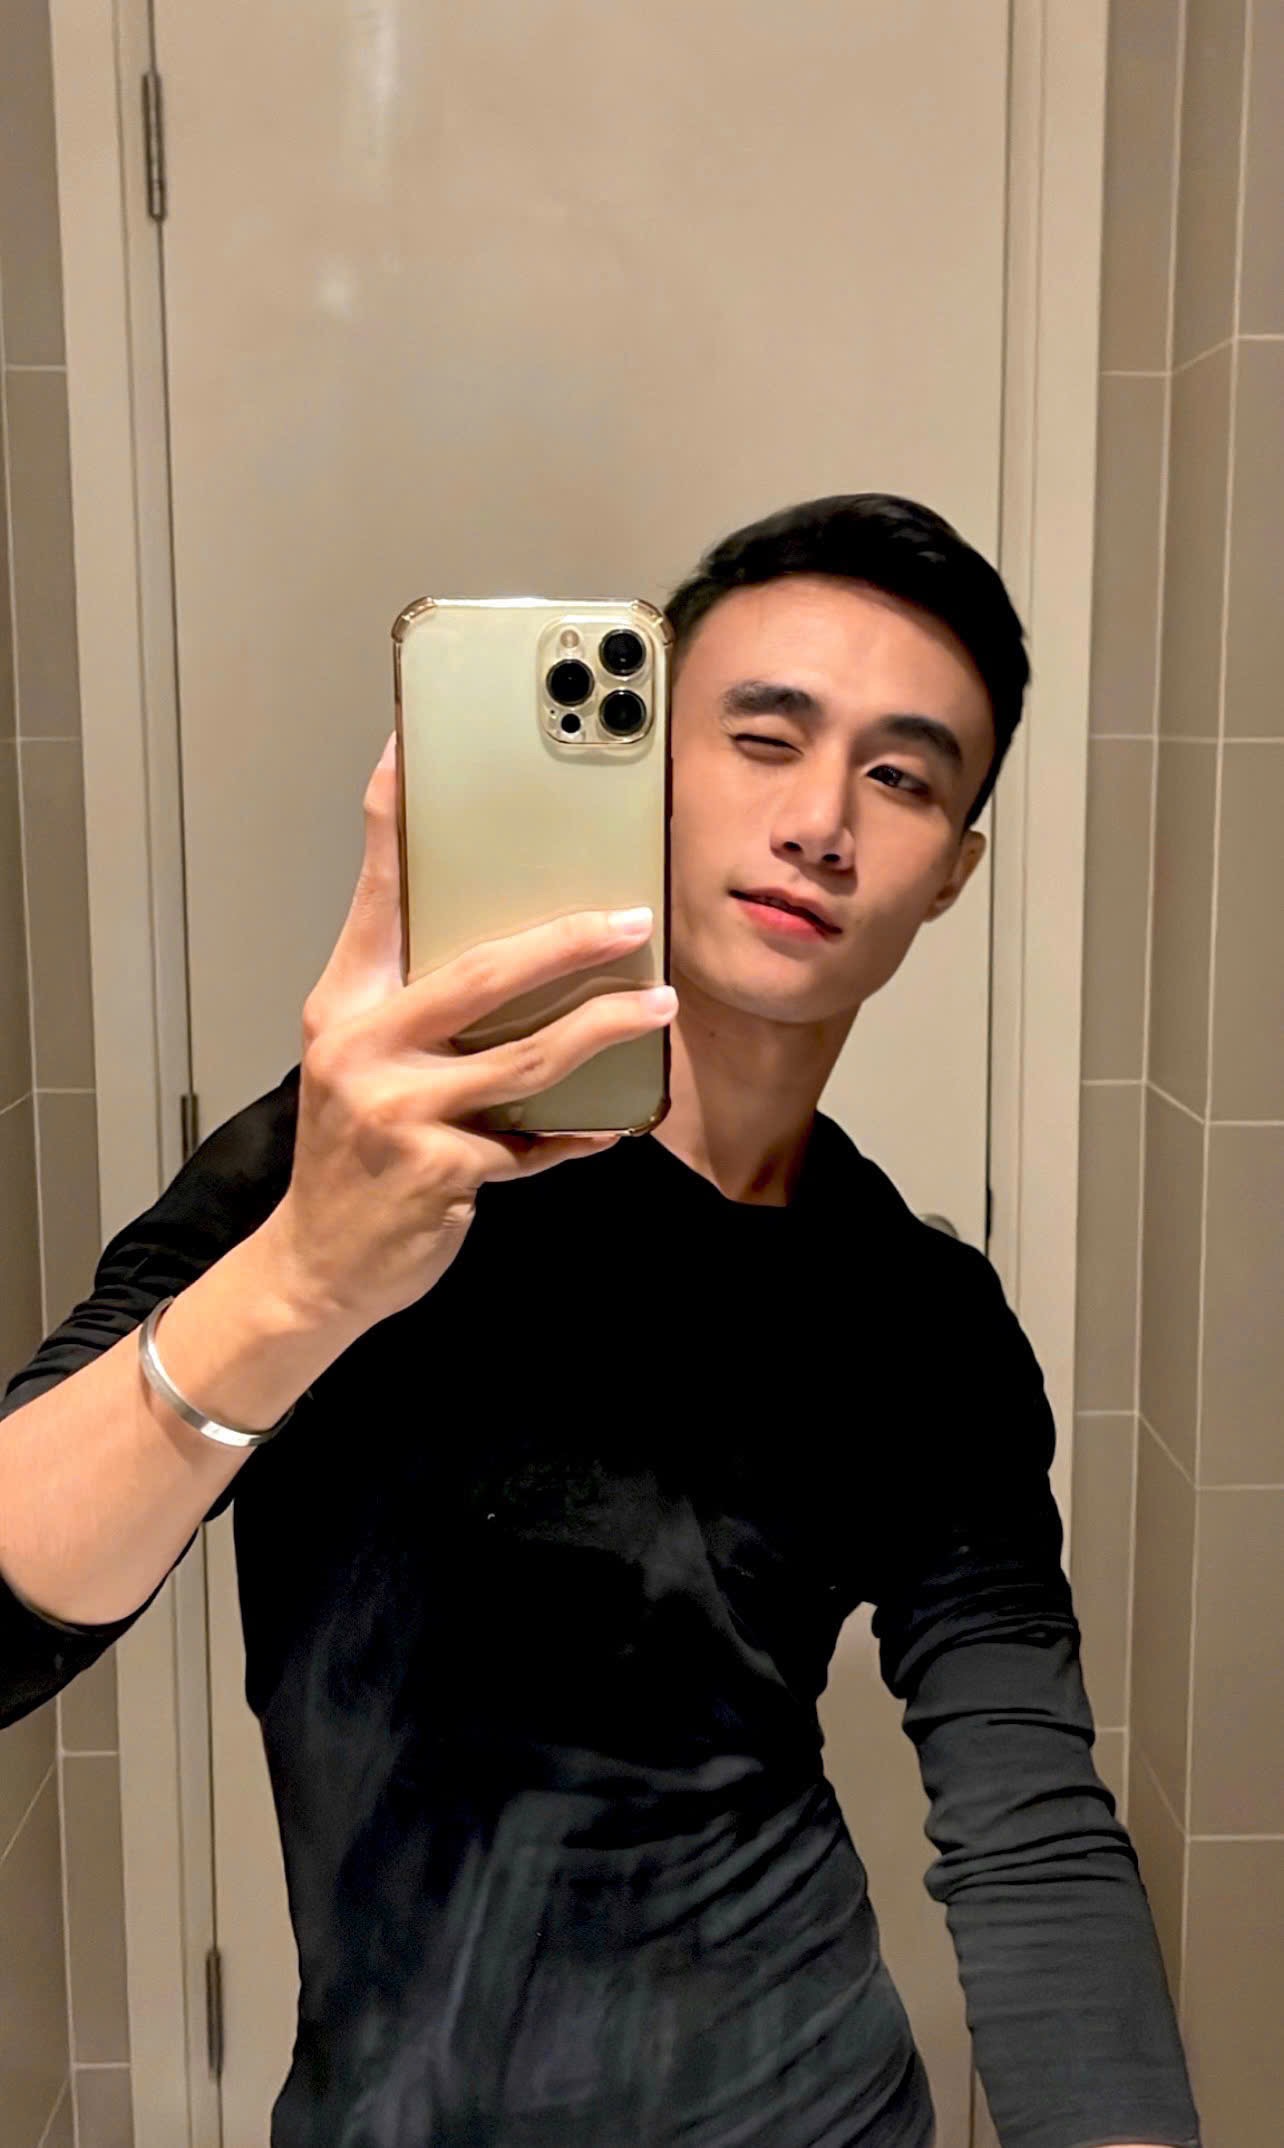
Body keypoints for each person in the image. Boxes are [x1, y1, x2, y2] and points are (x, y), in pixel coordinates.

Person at [0, 496, 1201, 2148]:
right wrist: (302, 1278)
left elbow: (1030, 1821)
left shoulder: (924, 1318)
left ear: (951, 876)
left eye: (903, 778)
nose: (822, 822)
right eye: (764, 739)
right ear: (649, 779)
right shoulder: (365, 1165)